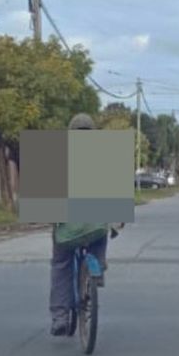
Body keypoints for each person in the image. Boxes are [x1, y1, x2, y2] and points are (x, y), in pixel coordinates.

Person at [47, 112, 109, 337]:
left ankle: (60, 317)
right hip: (94, 226)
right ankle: (98, 268)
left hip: (67, 229)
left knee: (60, 264)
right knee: (103, 231)